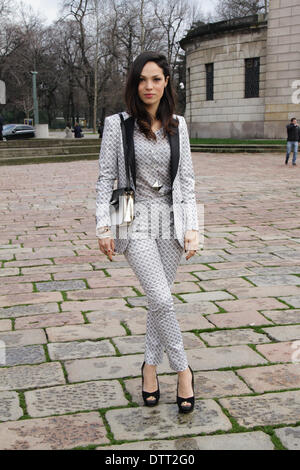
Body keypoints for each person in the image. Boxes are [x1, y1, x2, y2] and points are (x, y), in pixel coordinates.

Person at [95, 51, 200, 414]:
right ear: (134, 84)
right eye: (142, 79)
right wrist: (103, 225)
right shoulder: (117, 125)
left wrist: (192, 228)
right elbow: (105, 179)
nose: (148, 86)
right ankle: (184, 369)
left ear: (167, 81)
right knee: (161, 296)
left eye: (155, 79)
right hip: (132, 216)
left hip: (171, 220)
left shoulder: (178, 125)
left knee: (159, 301)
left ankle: (149, 368)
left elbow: (186, 180)